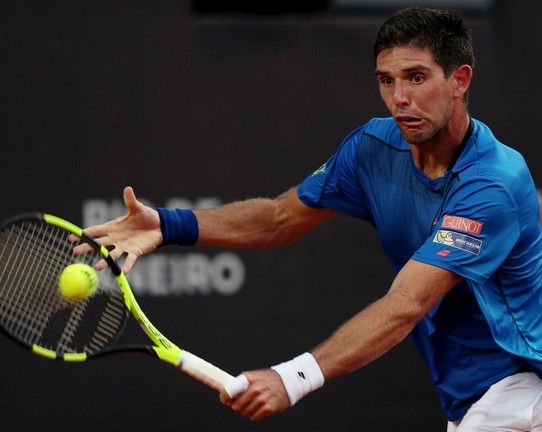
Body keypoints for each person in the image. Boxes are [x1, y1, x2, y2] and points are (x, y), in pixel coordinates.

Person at [77, 7, 542, 431]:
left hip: (522, 394)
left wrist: (293, 378)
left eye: (416, 78)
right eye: (386, 80)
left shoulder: (491, 185)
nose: (399, 98)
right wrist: (167, 224)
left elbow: (405, 306)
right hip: (471, 402)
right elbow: (280, 218)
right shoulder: (373, 149)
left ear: (460, 80)